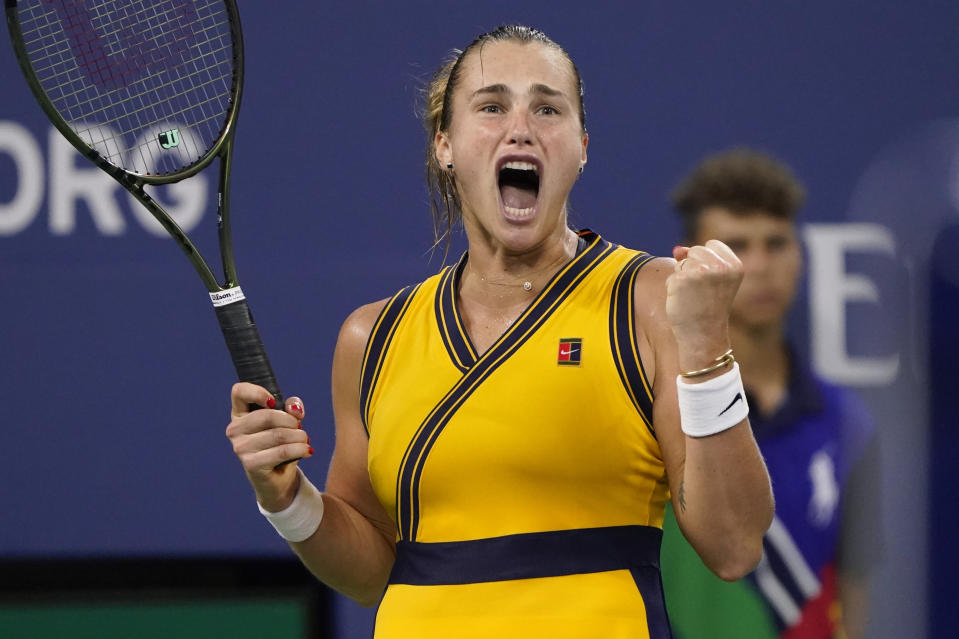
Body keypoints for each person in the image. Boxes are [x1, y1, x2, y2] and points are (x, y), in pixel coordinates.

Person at [224, 26, 774, 638]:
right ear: (445, 146)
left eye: (547, 107)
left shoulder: (647, 300)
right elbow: (373, 572)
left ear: (582, 146)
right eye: (491, 107)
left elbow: (734, 547)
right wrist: (289, 501)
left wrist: (707, 350)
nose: (520, 128)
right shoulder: (371, 338)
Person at [660, 148, 882, 639]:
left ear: (800, 254)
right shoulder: (657, 411)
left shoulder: (850, 423)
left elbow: (860, 597)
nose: (757, 266)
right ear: (689, 262)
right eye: (735, 246)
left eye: (776, 244)